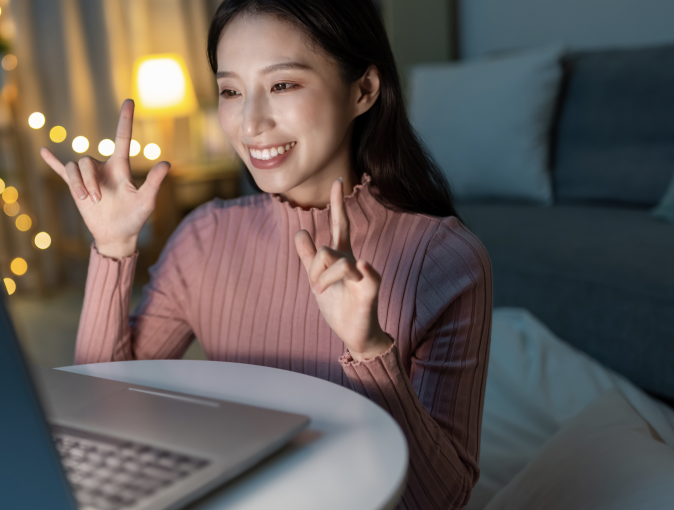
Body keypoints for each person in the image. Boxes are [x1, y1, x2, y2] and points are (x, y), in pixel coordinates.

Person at [39, 1, 491, 508]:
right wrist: (114, 247)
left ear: (363, 90)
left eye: (282, 85)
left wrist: (369, 349)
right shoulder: (205, 239)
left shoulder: (447, 258)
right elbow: (101, 410)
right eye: (231, 91)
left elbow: (444, 499)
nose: (250, 123)